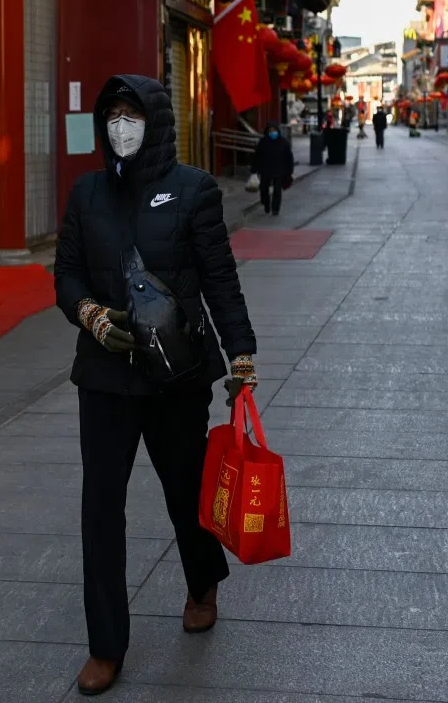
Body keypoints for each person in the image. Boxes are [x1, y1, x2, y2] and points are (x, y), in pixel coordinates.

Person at [53, 75, 259, 696]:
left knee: (183, 493)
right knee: (100, 510)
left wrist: (240, 359)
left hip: (179, 376)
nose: (121, 126)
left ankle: (202, 581)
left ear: (156, 122)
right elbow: (64, 274)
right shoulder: (87, 192)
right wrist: (89, 313)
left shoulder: (193, 190)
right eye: (111, 116)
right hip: (107, 377)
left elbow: (219, 276)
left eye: (131, 115)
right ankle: (106, 645)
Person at [249, 121, 295, 216]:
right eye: (270, 131)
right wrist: (254, 169)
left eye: (274, 130)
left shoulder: (283, 142)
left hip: (279, 170)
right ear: (267, 132)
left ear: (277, 131)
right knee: (263, 189)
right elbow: (257, 156)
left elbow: (289, 157)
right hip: (265, 170)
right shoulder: (263, 142)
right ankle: (266, 203)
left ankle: (275, 209)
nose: (273, 132)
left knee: (277, 190)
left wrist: (289, 171)